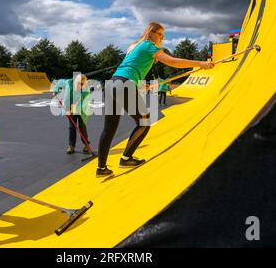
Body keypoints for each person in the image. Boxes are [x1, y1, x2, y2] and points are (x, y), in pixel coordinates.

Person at [96, 22, 214, 177]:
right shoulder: (149, 45)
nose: (162, 39)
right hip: (124, 84)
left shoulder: (135, 47)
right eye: (160, 35)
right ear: (151, 32)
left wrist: (138, 85)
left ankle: (101, 169)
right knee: (144, 122)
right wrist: (200, 63)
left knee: (109, 129)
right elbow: (172, 61)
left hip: (112, 84)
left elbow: (129, 69)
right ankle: (126, 158)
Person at [53, 74, 91, 154]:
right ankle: (71, 146)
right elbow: (59, 82)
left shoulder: (85, 89)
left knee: (82, 126)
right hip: (69, 105)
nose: (81, 86)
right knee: (72, 127)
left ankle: (86, 144)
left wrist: (71, 110)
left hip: (81, 107)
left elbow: (78, 101)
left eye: (82, 84)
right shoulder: (68, 82)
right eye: (79, 84)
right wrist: (55, 90)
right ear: (75, 82)